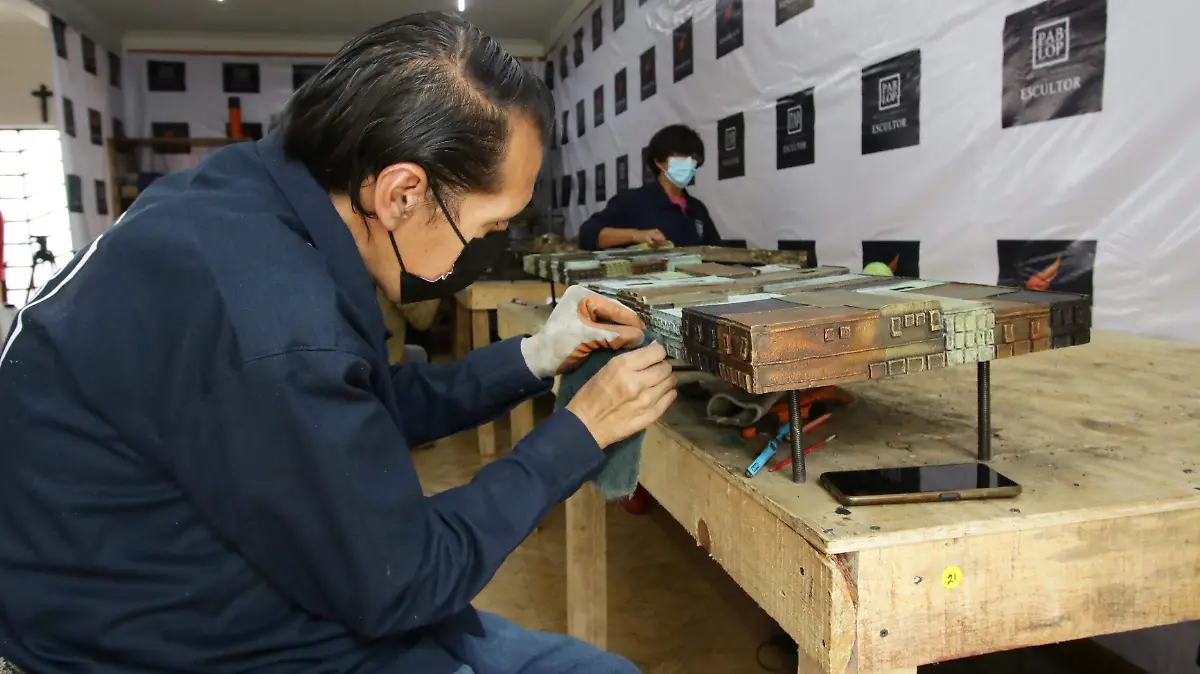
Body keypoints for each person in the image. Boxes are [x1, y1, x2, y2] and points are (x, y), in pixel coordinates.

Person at [0, 13, 677, 674]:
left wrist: (534, 356)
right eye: (492, 224)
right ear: (402, 193)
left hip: (207, 571)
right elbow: (403, 581)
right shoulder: (276, 323)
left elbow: (355, 407)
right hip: (165, 635)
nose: (493, 246)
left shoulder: (246, 197)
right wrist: (579, 433)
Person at [578, 124, 722, 250]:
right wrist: (636, 235)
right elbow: (589, 234)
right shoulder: (631, 201)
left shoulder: (697, 209)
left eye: (694, 159)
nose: (689, 163)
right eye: (681, 157)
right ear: (658, 161)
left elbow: (716, 252)